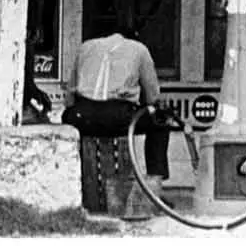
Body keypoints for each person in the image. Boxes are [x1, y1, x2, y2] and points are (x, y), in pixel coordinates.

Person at [61, 20, 171, 195]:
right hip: (119, 116)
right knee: (161, 123)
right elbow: (153, 97)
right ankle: (155, 186)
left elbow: (69, 97)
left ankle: (74, 184)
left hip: (82, 116)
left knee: (69, 118)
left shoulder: (85, 47)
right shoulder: (139, 49)